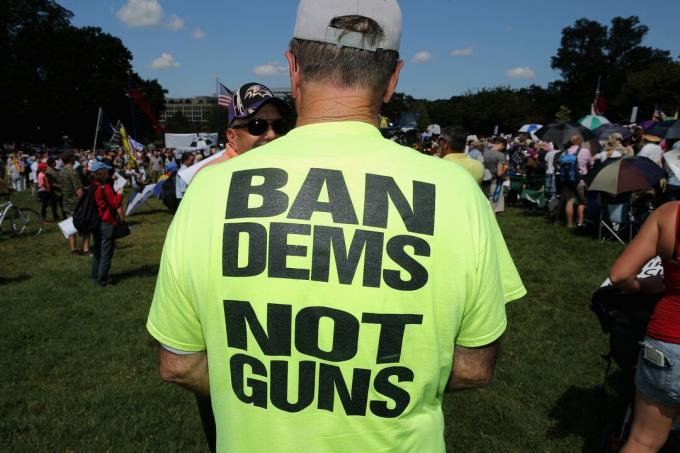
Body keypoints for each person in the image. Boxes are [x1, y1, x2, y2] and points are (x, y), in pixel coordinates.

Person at [147, 1, 526, 452]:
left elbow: (179, 363)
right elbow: (473, 365)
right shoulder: (457, 191)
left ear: (293, 68)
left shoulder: (211, 190)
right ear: (393, 79)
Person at [610, 202, 680, 453]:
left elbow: (620, 275)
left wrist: (646, 286)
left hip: (668, 342)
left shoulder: (669, 213)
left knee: (642, 442)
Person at [90, 161, 123, 287]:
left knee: (97, 251)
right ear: (102, 172)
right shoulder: (105, 188)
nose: (109, 172)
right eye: (107, 171)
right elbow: (114, 204)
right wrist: (119, 194)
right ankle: (102, 280)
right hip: (106, 221)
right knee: (106, 253)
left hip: (96, 222)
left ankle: (95, 276)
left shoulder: (93, 185)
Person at [60, 152, 90, 255]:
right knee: (85, 225)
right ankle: (86, 249)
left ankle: (73, 248)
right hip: (76, 203)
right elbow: (79, 191)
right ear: (72, 159)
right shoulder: (72, 172)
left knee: (71, 226)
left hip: (66, 202)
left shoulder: (62, 171)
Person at [482, 137, 509, 214]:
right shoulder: (500, 155)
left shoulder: (485, 151)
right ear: (502, 145)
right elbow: (499, 173)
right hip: (495, 181)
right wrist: (506, 168)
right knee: (493, 201)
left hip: (485, 178)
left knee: (485, 199)